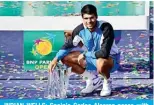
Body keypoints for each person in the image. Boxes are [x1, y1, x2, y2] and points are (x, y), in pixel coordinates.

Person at [48, 4, 119, 96]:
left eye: (91, 18)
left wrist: (85, 55)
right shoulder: (79, 30)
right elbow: (67, 46)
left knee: (101, 62)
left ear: (96, 17)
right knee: (65, 59)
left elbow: (104, 53)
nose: (89, 21)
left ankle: (106, 81)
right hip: (92, 58)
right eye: (86, 18)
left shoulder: (105, 27)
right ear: (82, 18)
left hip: (110, 60)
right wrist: (55, 59)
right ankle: (93, 80)